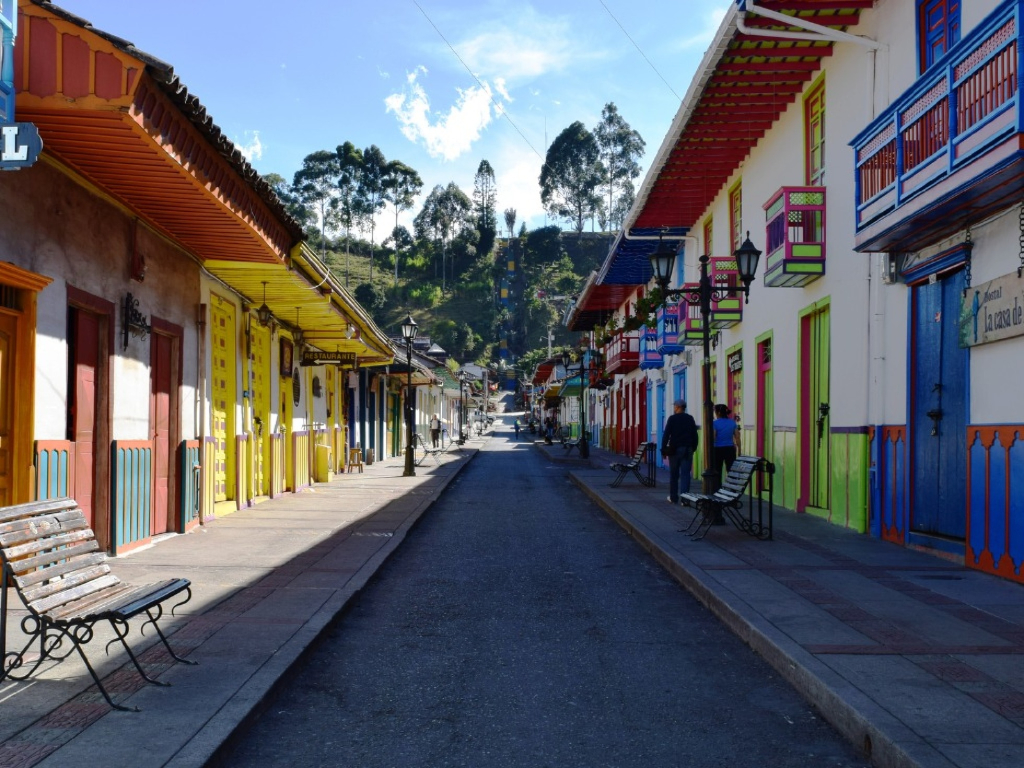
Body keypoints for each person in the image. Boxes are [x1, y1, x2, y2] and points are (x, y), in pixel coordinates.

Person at [661, 400, 699, 504]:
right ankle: (685, 500)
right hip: (687, 449)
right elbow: (695, 435)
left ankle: (673, 498)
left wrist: (663, 450)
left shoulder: (672, 419)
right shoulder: (689, 418)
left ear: (678, 407)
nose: (674, 408)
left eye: (674, 406)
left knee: (674, 474)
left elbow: (666, 435)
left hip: (674, 450)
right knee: (686, 474)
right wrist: (693, 447)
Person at [712, 403, 741, 481]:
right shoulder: (732, 422)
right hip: (730, 449)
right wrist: (739, 450)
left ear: (718, 413)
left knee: (717, 470)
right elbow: (737, 437)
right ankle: (732, 488)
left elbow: (714, 436)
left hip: (718, 449)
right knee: (731, 470)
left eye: (715, 411)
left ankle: (717, 488)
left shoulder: (714, 423)